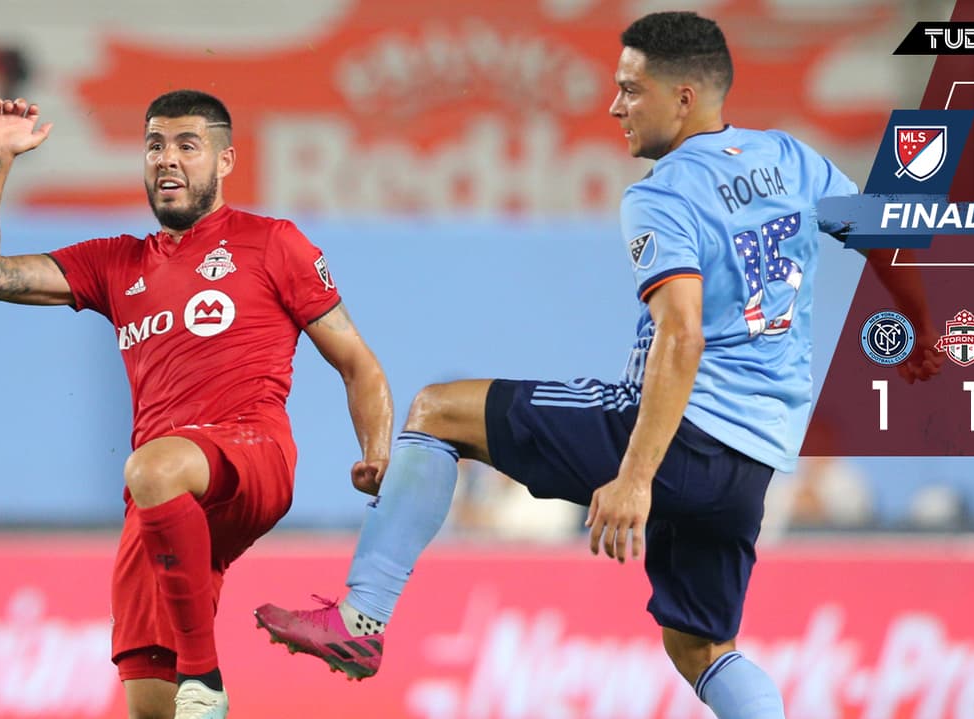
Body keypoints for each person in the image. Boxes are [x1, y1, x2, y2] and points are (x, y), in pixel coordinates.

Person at [254, 12, 939, 719]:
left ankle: (360, 620)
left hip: (681, 431)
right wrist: (922, 326)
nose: (614, 105)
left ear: (684, 97)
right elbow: (885, 230)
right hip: (752, 461)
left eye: (631, 89)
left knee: (436, 410)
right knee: (701, 647)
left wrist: (636, 477)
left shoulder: (663, 193)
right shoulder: (791, 160)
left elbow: (682, 335)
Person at [0, 90, 393, 719]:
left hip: (249, 454)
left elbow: (358, 363)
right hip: (160, 511)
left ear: (226, 159)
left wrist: (376, 455)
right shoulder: (114, 263)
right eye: (154, 145)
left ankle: (204, 675)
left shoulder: (272, 243)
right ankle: (192, 686)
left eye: (187, 145)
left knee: (151, 468)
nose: (167, 160)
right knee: (152, 709)